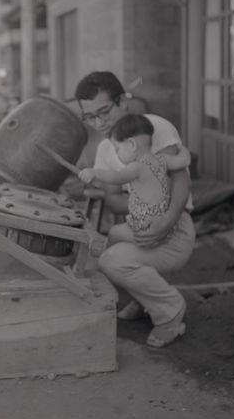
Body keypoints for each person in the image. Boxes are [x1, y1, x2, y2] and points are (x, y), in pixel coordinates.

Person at [74, 71, 195, 348]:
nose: (99, 122)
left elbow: (180, 178)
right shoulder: (106, 149)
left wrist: (166, 217)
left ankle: (170, 312)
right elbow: (113, 198)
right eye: (90, 117)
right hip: (145, 222)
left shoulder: (150, 128)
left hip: (175, 227)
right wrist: (144, 207)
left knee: (112, 261)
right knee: (109, 244)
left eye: (104, 111)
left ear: (122, 102)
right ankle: (143, 299)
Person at [78, 113, 192, 247]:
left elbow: (116, 177)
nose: (117, 154)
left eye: (117, 149)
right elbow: (184, 160)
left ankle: (105, 251)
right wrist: (181, 149)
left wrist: (94, 173)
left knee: (114, 232)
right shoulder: (163, 160)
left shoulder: (136, 168)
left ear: (132, 144)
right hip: (162, 221)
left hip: (145, 224)